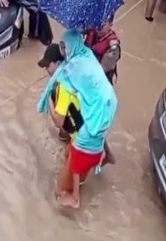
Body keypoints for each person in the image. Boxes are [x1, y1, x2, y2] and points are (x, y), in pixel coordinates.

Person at [38, 30, 118, 209]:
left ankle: (74, 199)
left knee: (59, 193)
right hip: (94, 131)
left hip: (84, 144)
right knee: (71, 157)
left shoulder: (65, 85)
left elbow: (59, 121)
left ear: (58, 63)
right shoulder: (82, 65)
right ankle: (95, 166)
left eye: (47, 65)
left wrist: (50, 100)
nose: (45, 70)